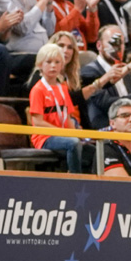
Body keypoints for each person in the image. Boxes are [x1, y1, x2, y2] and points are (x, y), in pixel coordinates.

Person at [28, 42, 83, 172]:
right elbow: (37, 122)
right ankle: (77, 179)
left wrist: (76, 134)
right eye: (49, 62)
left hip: (63, 135)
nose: (53, 66)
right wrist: (62, 132)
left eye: (57, 62)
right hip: (44, 138)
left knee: (92, 149)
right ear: (40, 65)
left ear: (62, 65)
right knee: (73, 143)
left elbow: (67, 118)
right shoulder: (38, 90)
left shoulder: (63, 88)